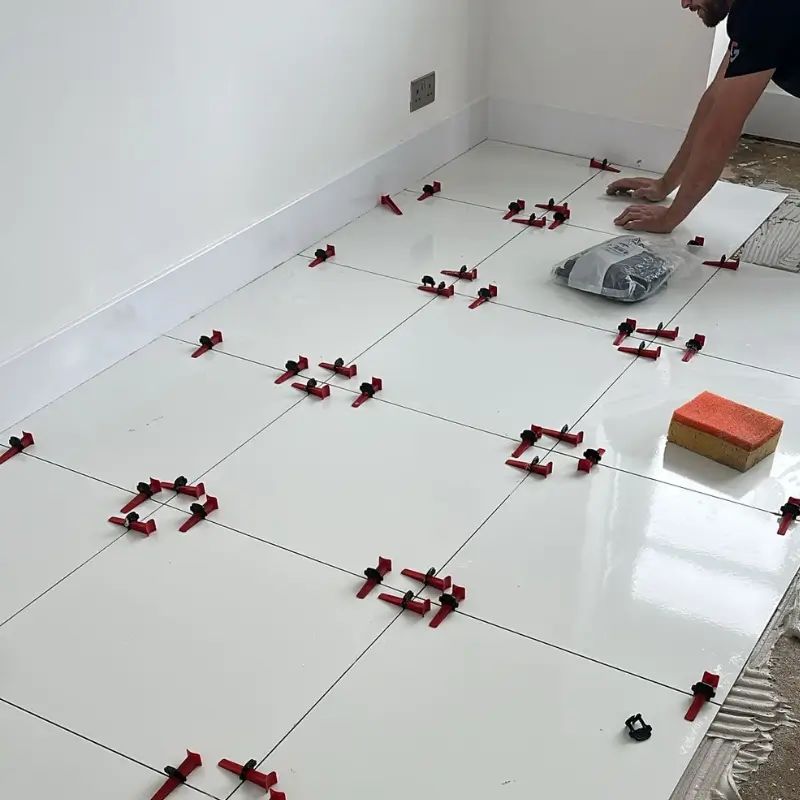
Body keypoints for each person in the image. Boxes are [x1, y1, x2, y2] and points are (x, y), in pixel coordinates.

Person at [609, 0, 799, 233]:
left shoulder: (762, 10)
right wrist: (666, 183)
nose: (685, 3)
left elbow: (721, 132)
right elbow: (715, 99)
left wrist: (669, 218)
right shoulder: (754, 13)